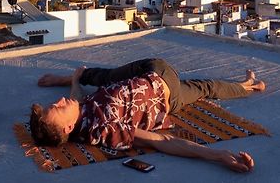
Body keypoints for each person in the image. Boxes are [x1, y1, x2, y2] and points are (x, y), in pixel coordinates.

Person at [29, 58, 266, 173]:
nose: (61, 101)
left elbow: (75, 95)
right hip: (165, 91)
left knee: (104, 78)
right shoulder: (104, 130)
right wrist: (218, 155)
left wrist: (71, 81)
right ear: (68, 128)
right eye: (58, 107)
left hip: (149, 73)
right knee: (204, 87)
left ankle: (247, 85)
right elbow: (163, 141)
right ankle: (249, 86)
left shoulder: (79, 116)